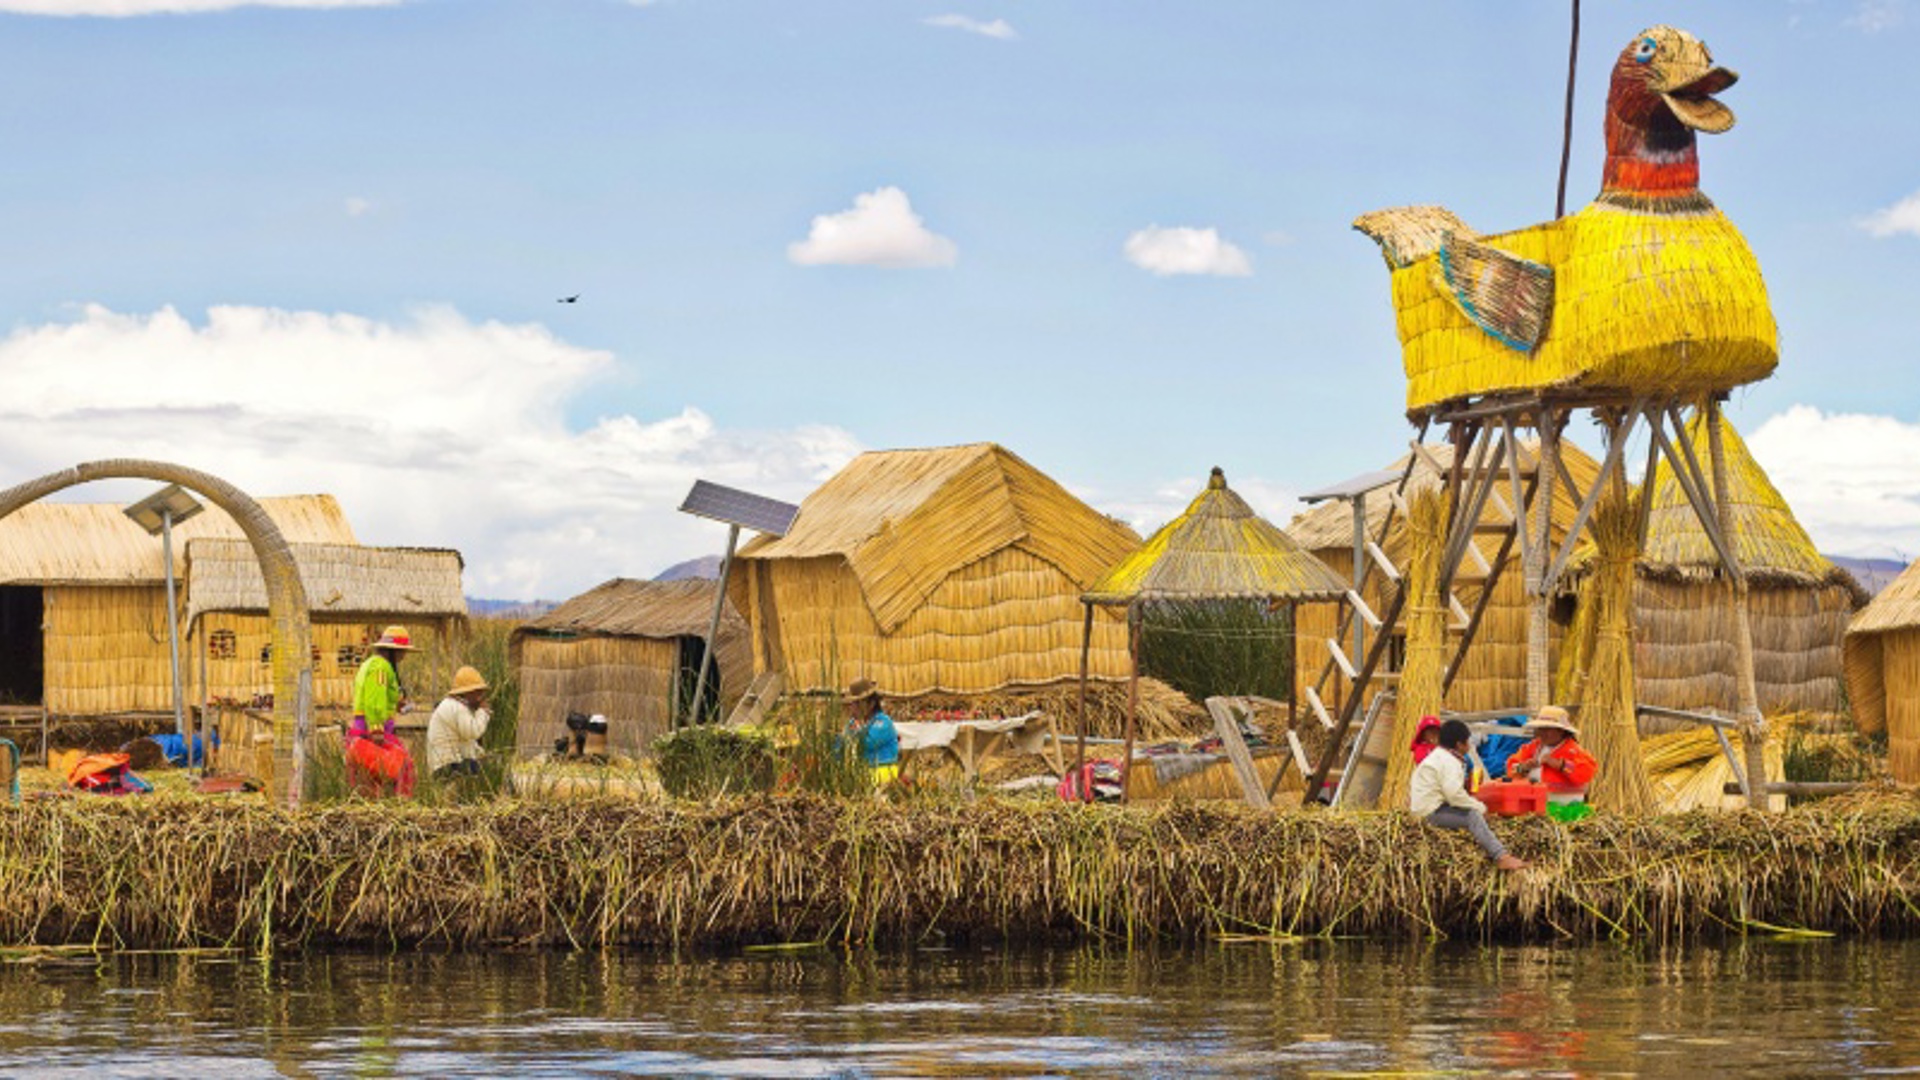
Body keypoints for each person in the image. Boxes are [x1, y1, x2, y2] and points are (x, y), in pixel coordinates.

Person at [1411, 719, 1527, 871]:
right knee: (1473, 816)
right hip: (1430, 813)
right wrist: (1481, 808)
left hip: (1430, 806)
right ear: (1459, 744)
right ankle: (1501, 856)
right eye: (1468, 741)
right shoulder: (1449, 761)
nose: (1470, 745)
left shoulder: (1440, 756)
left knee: (1472, 809)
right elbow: (1454, 795)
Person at [346, 625, 418, 797]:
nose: (403, 656)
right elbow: (374, 699)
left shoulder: (370, 664)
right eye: (401, 652)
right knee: (403, 766)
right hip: (372, 731)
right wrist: (377, 728)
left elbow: (378, 696)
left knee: (370, 779)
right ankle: (401, 803)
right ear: (391, 651)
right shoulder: (380, 667)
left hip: (365, 728)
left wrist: (397, 704)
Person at [1504, 706, 1598, 796]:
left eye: (1547, 729)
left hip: (1564, 804)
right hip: (1532, 800)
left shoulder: (1573, 750)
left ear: (1561, 731)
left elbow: (1587, 773)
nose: (1542, 733)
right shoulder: (1532, 748)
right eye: (1540, 729)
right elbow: (1510, 768)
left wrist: (1561, 765)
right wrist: (1524, 767)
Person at [428, 665, 492, 780]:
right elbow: (473, 732)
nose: (480, 697)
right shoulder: (457, 707)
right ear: (469, 692)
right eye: (478, 693)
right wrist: (483, 712)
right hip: (447, 767)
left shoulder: (452, 705)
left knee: (483, 764)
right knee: (487, 771)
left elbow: (467, 743)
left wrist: (481, 754)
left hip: (441, 766)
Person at [843, 678, 900, 786]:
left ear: (872, 703)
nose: (853, 707)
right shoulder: (852, 723)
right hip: (861, 773)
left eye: (857, 703)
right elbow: (842, 743)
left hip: (883, 772)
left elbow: (867, 743)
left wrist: (854, 732)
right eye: (852, 703)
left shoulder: (883, 722)